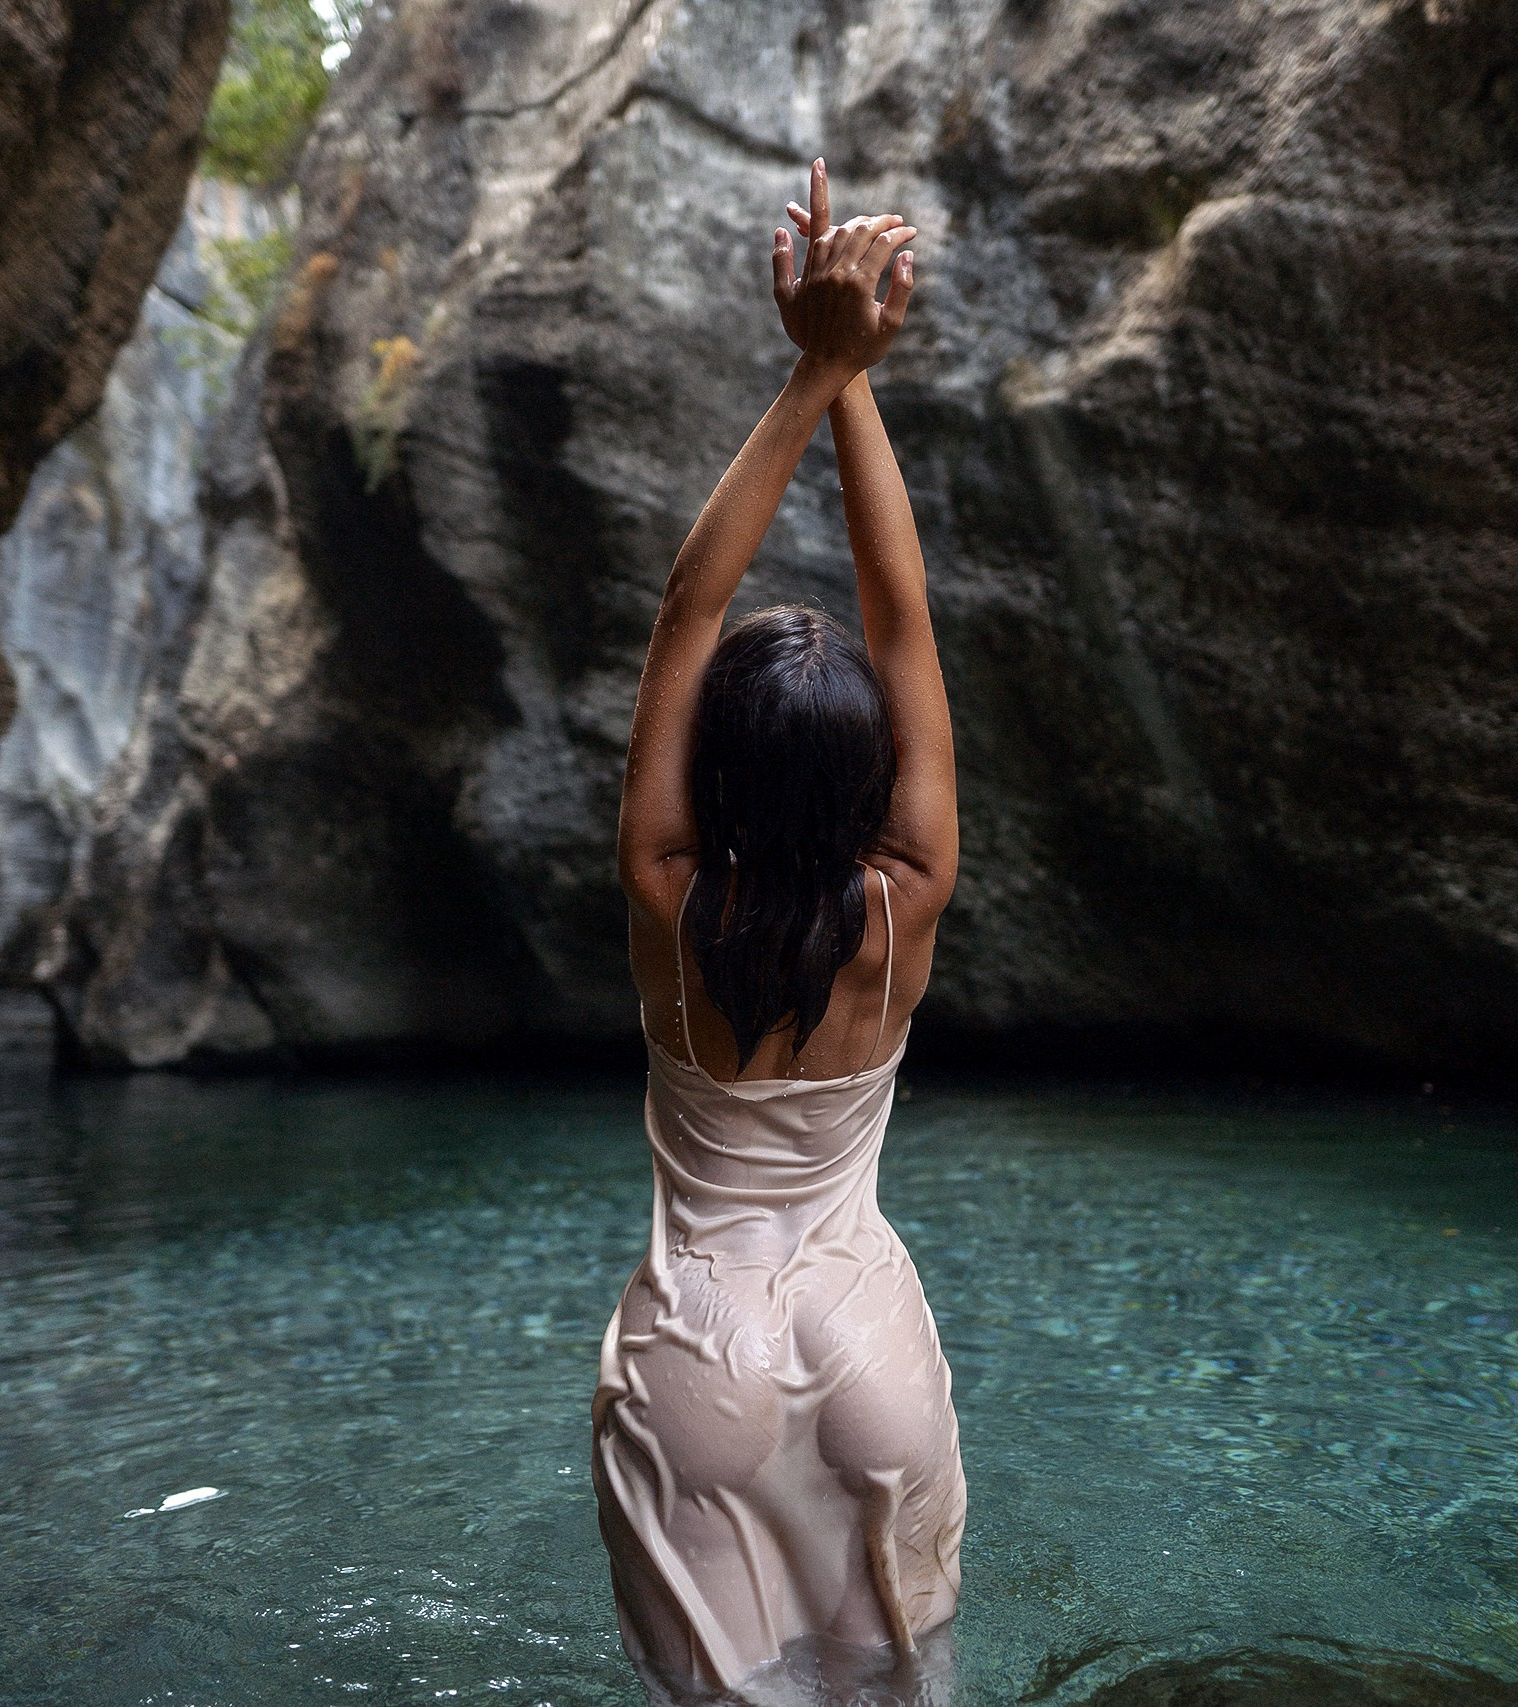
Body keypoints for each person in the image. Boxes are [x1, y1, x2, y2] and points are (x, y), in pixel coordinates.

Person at [592, 159, 966, 1703]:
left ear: (712, 770)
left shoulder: (669, 898)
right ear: (869, 777)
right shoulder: (906, 901)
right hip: (865, 1332)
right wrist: (856, 369)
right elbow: (903, 620)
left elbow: (688, 610)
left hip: (696, 1353)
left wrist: (813, 369)